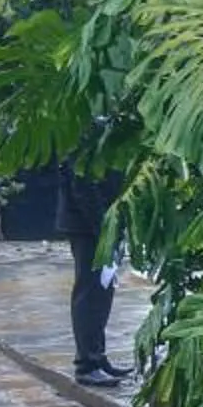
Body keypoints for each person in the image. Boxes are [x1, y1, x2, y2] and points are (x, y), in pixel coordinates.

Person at [57, 164, 128, 387]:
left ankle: (98, 356)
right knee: (90, 293)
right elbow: (82, 184)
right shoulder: (84, 134)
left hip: (100, 220)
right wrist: (104, 227)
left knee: (102, 291)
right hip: (87, 224)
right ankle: (86, 364)